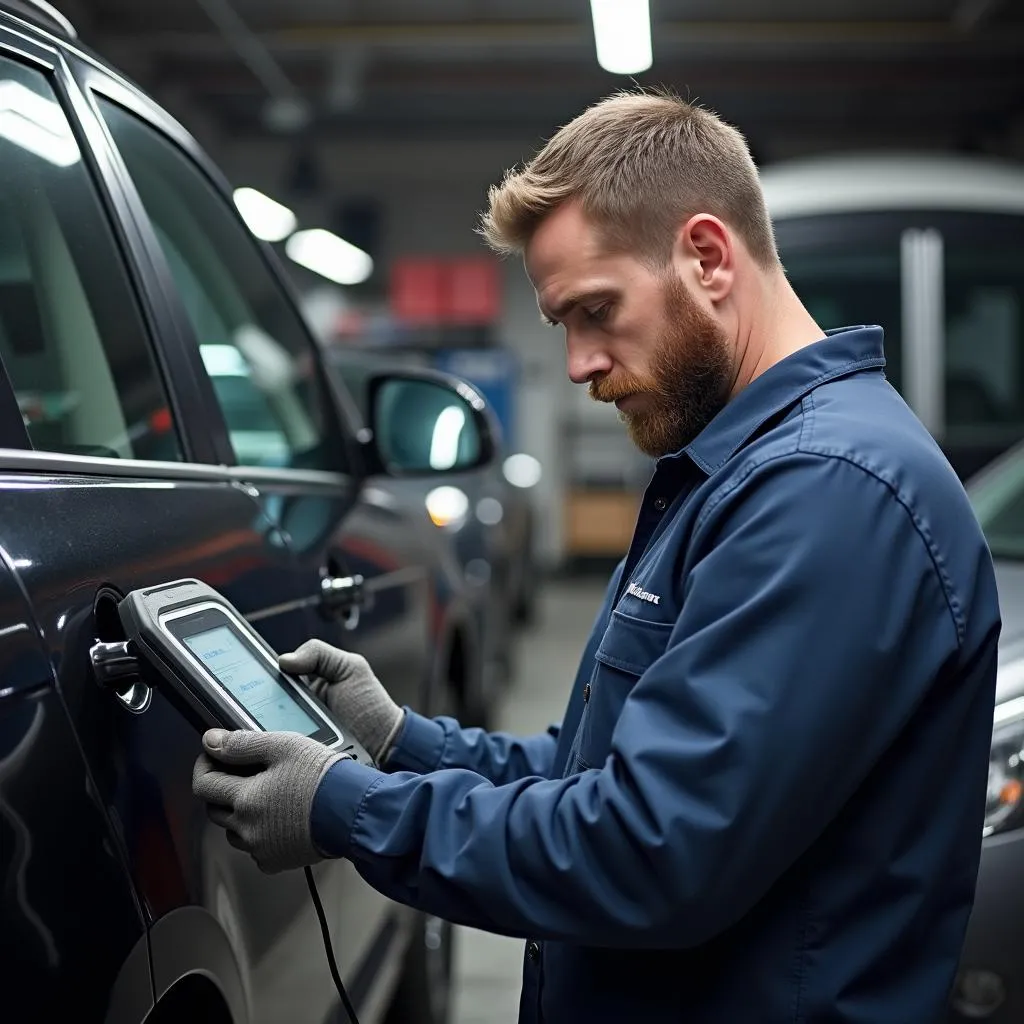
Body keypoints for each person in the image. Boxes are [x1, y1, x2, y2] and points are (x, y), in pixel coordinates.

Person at [193, 90, 1001, 1023]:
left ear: (706, 256)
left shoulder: (827, 491)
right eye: (562, 327)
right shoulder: (733, 474)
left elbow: (650, 849)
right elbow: (606, 768)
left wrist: (348, 809)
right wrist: (401, 744)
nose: (578, 365)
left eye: (596, 311)